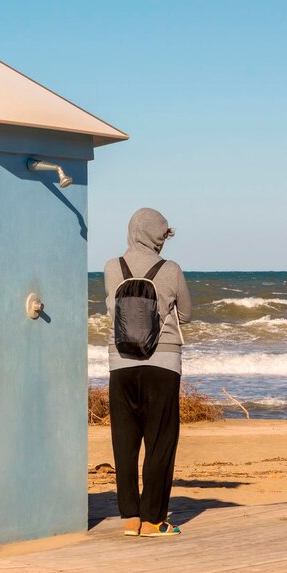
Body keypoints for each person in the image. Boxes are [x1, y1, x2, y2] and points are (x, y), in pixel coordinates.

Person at [103, 207, 192, 537]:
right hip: (163, 364)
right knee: (160, 442)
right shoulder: (171, 269)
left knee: (124, 443)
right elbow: (186, 314)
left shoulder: (112, 267)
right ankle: (155, 520)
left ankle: (131, 518)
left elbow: (112, 310)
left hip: (121, 363)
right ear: (157, 235)